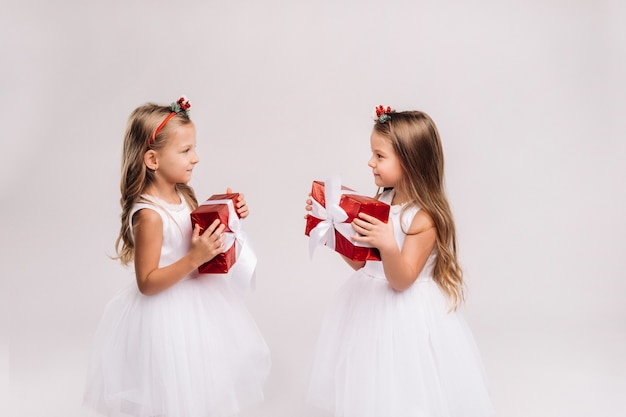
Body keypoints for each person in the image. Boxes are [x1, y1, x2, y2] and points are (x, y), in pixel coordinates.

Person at [83, 96, 270, 417]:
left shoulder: (182, 194)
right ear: (152, 159)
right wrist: (193, 259)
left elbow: (197, 240)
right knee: (171, 391)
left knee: (202, 383)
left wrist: (229, 215)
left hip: (199, 306)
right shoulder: (149, 215)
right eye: (185, 151)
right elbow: (147, 282)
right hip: (164, 316)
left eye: (194, 148)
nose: (196, 158)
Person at [305, 106, 494, 417]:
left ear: (409, 162)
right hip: (369, 305)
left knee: (403, 382)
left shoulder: (423, 218)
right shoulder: (382, 202)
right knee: (370, 376)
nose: (370, 162)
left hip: (405, 314)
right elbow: (365, 263)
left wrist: (388, 244)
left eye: (380, 156)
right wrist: (329, 234)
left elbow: (402, 278)